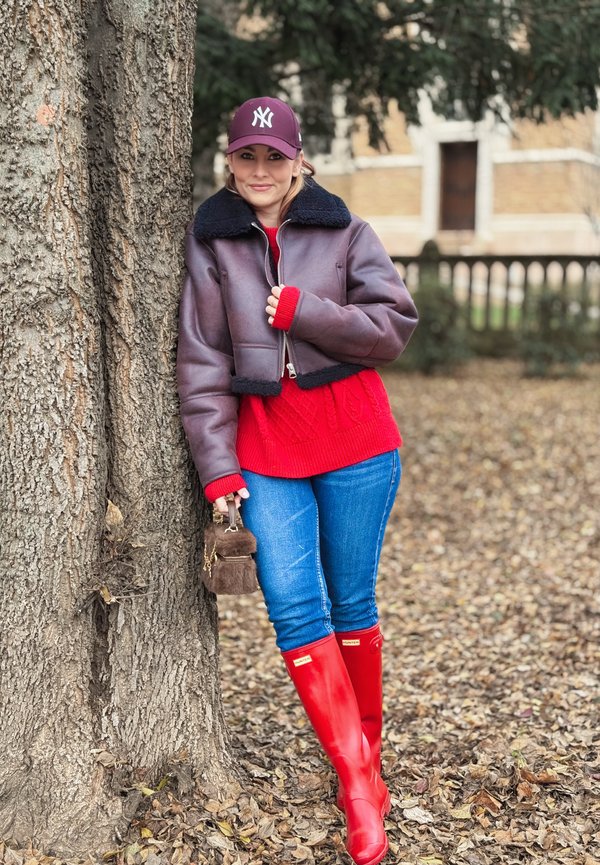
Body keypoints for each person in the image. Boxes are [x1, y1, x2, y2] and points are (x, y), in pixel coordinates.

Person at [177, 96, 418, 865]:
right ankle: (355, 781)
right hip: (267, 449)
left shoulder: (344, 230)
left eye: (272, 158)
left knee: (352, 597)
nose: (258, 170)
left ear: (298, 160)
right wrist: (218, 469)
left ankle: (366, 758)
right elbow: (202, 364)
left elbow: (392, 325)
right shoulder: (212, 240)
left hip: (356, 439)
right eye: (246, 157)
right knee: (292, 603)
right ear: (230, 161)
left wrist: (306, 310)